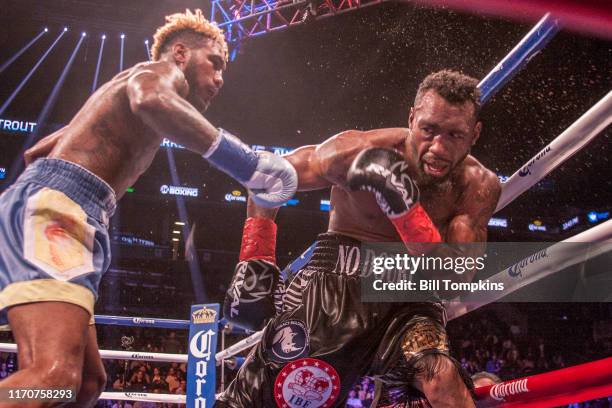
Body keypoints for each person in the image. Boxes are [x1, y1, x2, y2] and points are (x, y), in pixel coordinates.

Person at [0, 9, 297, 407]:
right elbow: (151, 100)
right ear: (180, 54)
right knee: (54, 376)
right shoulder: (159, 76)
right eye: (215, 63)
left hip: (67, 208)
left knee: (87, 382)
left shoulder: (117, 94)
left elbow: (37, 154)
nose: (220, 78)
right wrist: (248, 164)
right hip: (60, 209)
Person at [218, 70, 501, 407]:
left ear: (474, 134)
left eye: (455, 135)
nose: (438, 147)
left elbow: (453, 278)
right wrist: (256, 260)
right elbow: (270, 178)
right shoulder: (357, 151)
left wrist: (406, 213)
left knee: (441, 378)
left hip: (408, 299)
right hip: (334, 290)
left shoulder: (477, 186)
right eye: (429, 130)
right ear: (412, 119)